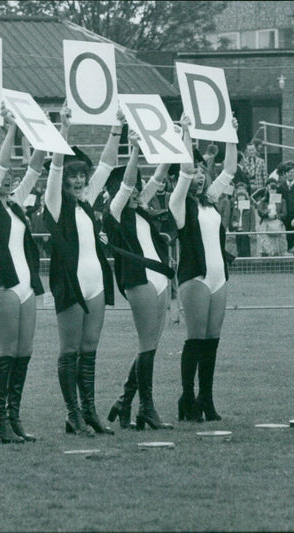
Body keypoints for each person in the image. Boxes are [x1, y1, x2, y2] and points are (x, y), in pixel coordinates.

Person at [44, 105, 117, 438]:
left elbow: (107, 165)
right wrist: (64, 129)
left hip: (96, 284)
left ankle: (89, 411)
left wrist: (117, 128)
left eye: (81, 175)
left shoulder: (88, 200)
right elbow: (56, 169)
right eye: (72, 175)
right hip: (70, 284)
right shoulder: (55, 205)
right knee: (69, 350)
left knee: (90, 350)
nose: (77, 180)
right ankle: (72, 413)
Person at [0, 111, 45, 443]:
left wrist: (42, 129)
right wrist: (11, 127)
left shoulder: (16, 204)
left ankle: (13, 417)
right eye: (1, 176)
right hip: (3, 285)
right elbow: (0, 166)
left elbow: (34, 168)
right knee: (7, 350)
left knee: (24, 351)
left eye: (8, 177)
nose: (7, 179)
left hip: (27, 285)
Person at [103, 130, 175, 431]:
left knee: (151, 345)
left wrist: (173, 147)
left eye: (137, 188)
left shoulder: (140, 209)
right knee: (146, 345)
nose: (136, 191)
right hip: (139, 279)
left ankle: (124, 401)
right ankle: (147, 407)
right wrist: (133, 148)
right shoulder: (116, 212)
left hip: (158, 279)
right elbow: (129, 184)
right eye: (130, 188)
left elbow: (157, 178)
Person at [169, 113, 238, 422]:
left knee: (212, 340)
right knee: (195, 339)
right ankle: (187, 397)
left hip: (218, 275)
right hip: (194, 277)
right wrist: (185, 131)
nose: (198, 175)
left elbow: (231, 170)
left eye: (201, 170)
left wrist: (231, 134)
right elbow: (183, 174)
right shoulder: (179, 204)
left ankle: (206, 399)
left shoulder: (209, 200)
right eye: (193, 171)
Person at [255, 179, 287, 257]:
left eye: (274, 189)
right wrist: (267, 213)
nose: (272, 191)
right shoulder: (263, 201)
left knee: (278, 245)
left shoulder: (282, 201)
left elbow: (284, 214)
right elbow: (260, 212)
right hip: (266, 223)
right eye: (271, 190)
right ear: (268, 190)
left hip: (277, 223)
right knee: (266, 244)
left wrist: (276, 216)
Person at [229, 185, 257, 258]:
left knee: (245, 249)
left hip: (246, 230)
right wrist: (234, 225)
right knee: (239, 248)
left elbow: (252, 220)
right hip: (238, 231)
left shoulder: (250, 208)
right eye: (239, 196)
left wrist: (252, 231)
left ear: (245, 197)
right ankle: (240, 262)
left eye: (242, 196)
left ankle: (247, 263)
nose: (241, 198)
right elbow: (233, 219)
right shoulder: (235, 208)